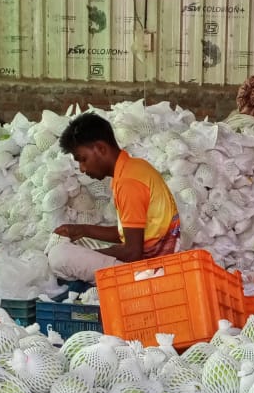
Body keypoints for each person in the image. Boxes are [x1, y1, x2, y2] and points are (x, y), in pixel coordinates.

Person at [47, 111, 180, 279]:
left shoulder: (129, 182)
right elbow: (130, 232)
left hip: (148, 272)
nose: (82, 168)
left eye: (83, 159)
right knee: (77, 244)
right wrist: (82, 230)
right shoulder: (134, 168)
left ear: (101, 148)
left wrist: (93, 255)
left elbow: (133, 252)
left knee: (59, 257)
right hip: (149, 260)